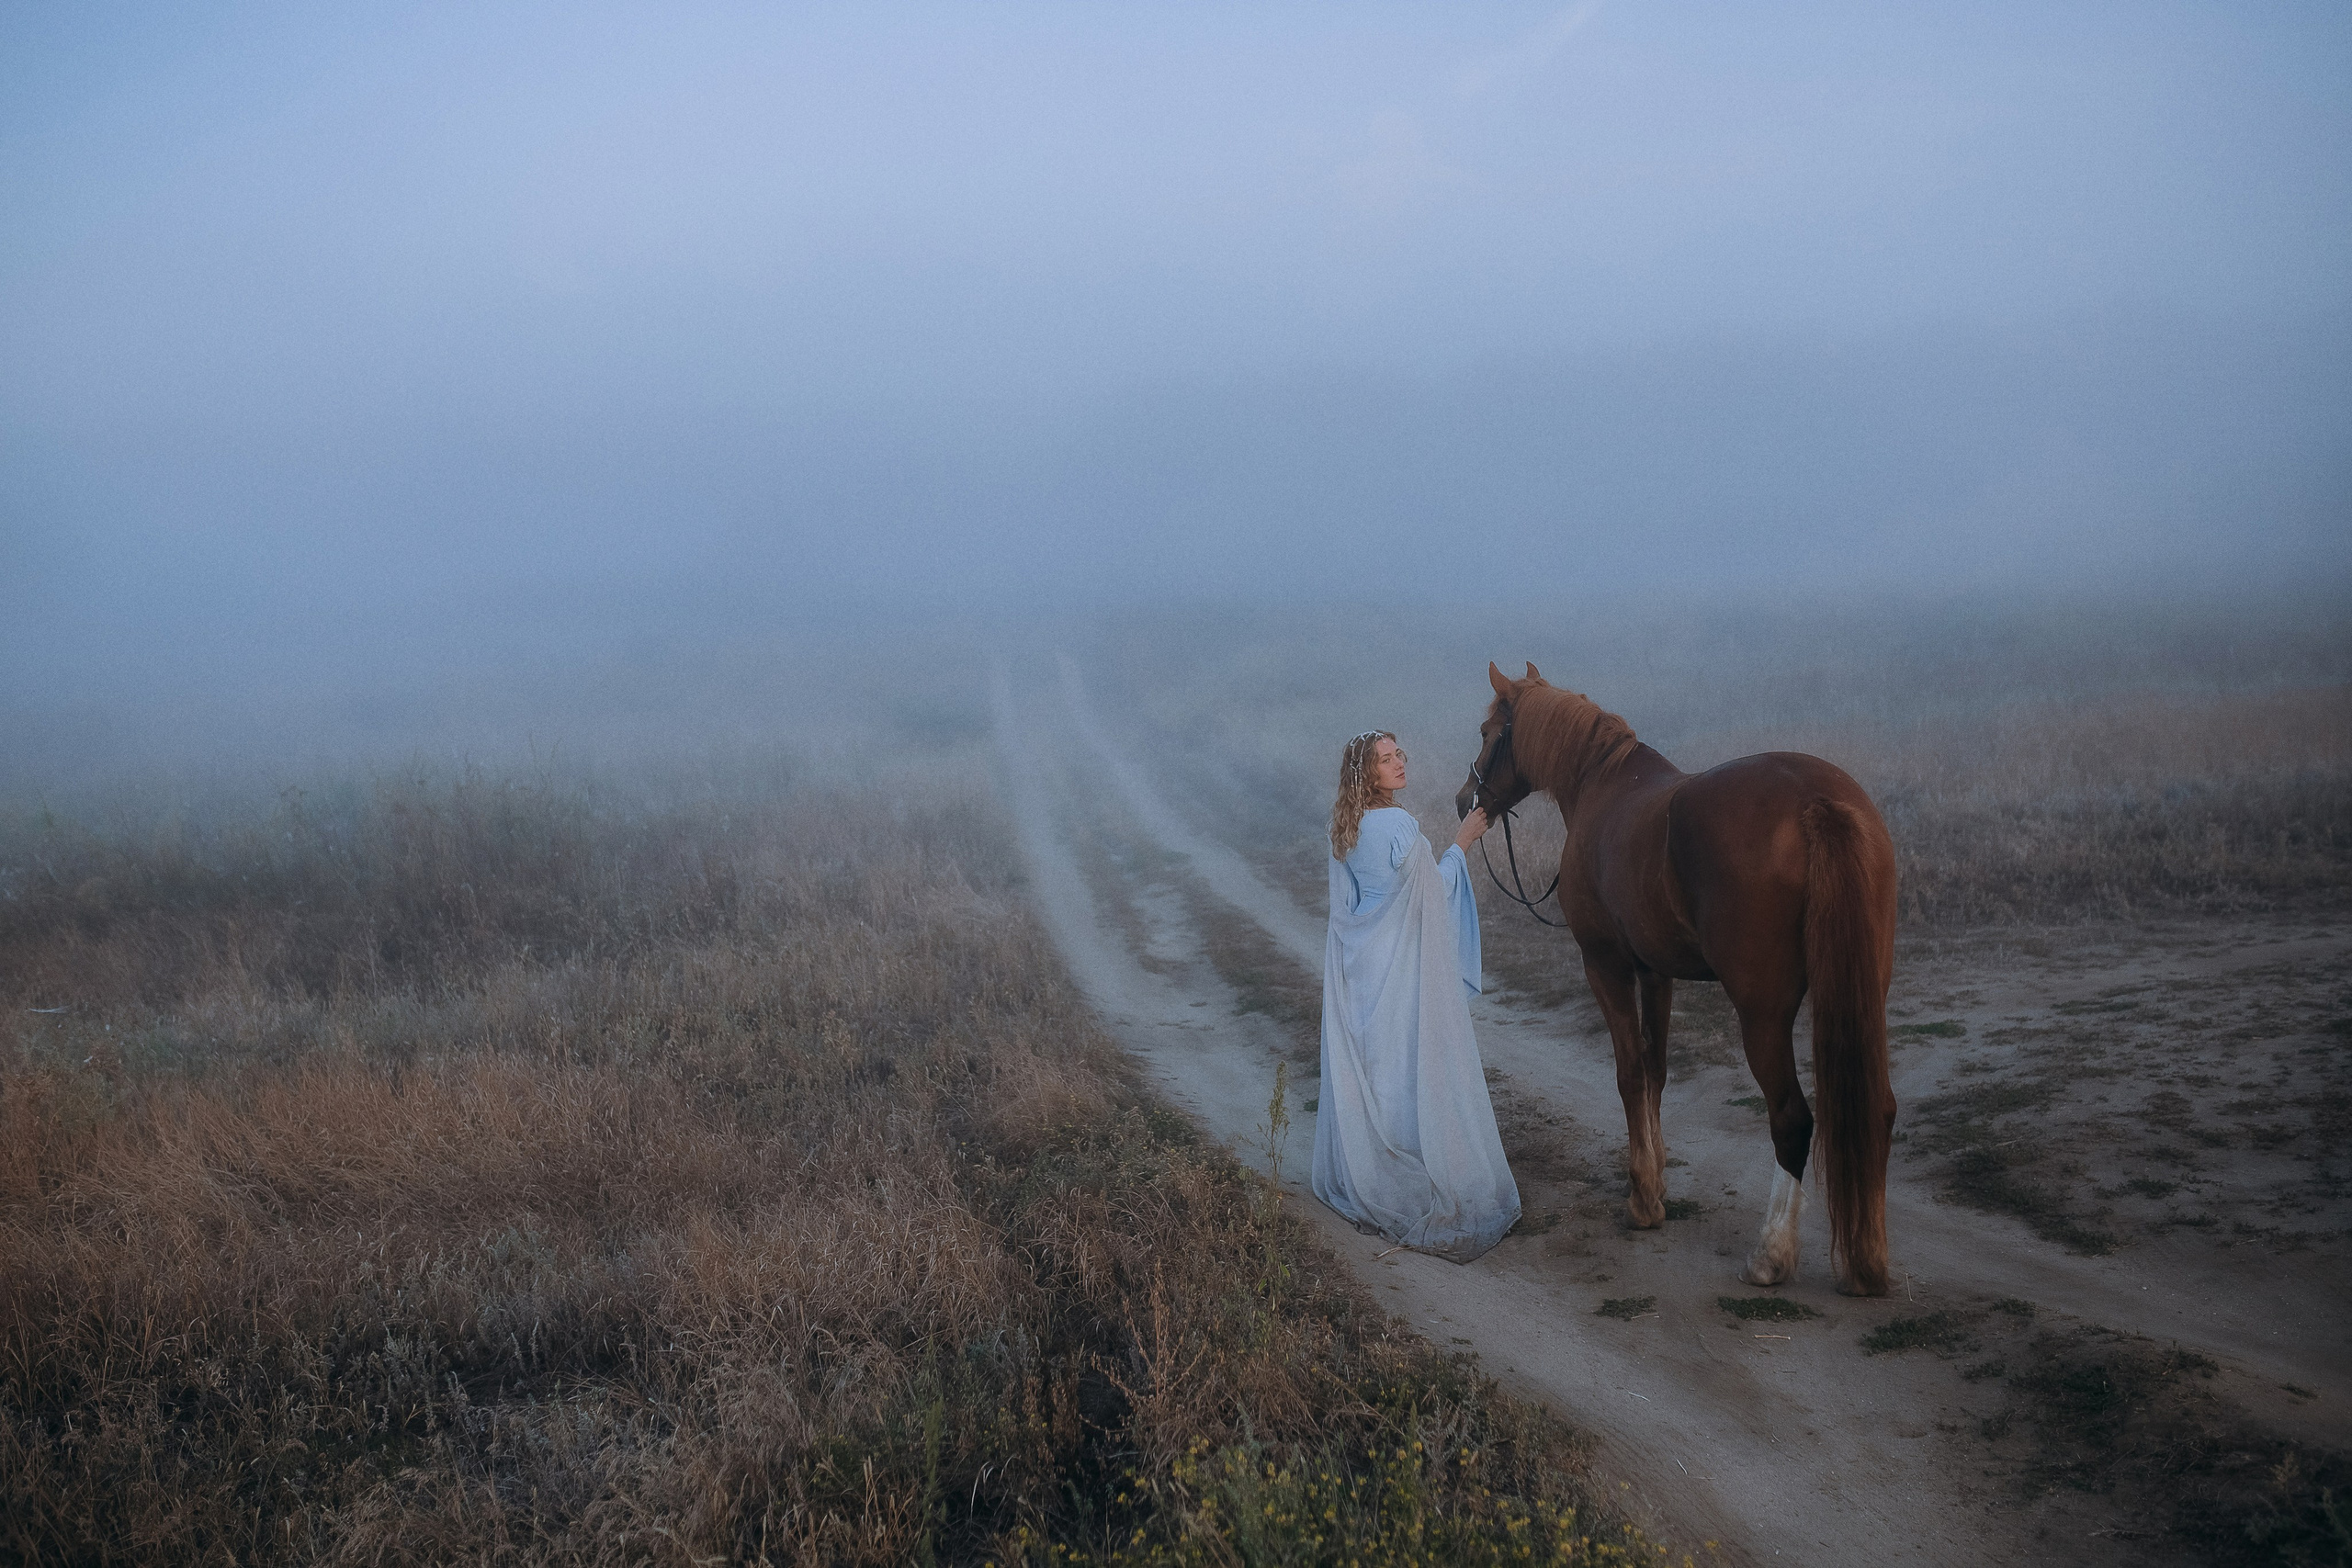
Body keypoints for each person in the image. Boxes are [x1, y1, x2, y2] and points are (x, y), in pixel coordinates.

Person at [1311, 730, 1521, 1262]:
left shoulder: (1344, 827)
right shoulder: (1398, 824)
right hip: (1400, 966)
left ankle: (1377, 1167)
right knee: (1409, 1066)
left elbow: (1352, 909)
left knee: (1380, 1070)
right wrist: (1464, 839)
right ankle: (1418, 1170)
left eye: (1398, 753)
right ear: (1368, 774)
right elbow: (1429, 889)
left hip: (1363, 970)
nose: (1399, 763)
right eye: (1385, 759)